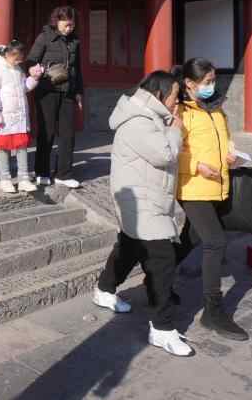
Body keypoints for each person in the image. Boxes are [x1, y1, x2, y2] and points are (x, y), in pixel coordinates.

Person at [93, 71, 193, 357]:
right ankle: (162, 328)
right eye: (174, 95)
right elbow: (164, 154)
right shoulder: (138, 120)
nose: (177, 101)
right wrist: (176, 129)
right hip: (141, 199)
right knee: (163, 260)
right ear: (160, 94)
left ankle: (104, 289)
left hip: (148, 197)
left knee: (129, 247)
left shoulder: (150, 116)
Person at [172, 58, 249, 341]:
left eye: (214, 80)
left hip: (217, 184)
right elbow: (171, 152)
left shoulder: (215, 108)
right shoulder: (180, 111)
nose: (212, 86)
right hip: (193, 187)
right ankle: (213, 311)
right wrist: (197, 166)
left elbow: (224, 139)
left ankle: (157, 277)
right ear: (189, 84)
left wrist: (231, 154)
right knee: (215, 241)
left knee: (190, 238)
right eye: (207, 82)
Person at [28, 6, 84, 188]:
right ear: (57, 21)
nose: (69, 28)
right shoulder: (45, 37)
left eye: (72, 25)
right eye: (66, 25)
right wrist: (32, 69)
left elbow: (77, 69)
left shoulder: (74, 41)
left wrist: (79, 92)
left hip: (68, 91)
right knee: (47, 132)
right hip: (47, 90)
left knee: (68, 134)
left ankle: (64, 174)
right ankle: (42, 171)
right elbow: (31, 59)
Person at [0, 40, 44, 194]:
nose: (18, 61)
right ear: (7, 54)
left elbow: (24, 87)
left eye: (20, 58)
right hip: (4, 115)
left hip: (20, 115)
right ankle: (4, 179)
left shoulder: (18, 70)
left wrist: (34, 78)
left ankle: (23, 179)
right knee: (4, 148)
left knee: (22, 146)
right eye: (16, 58)